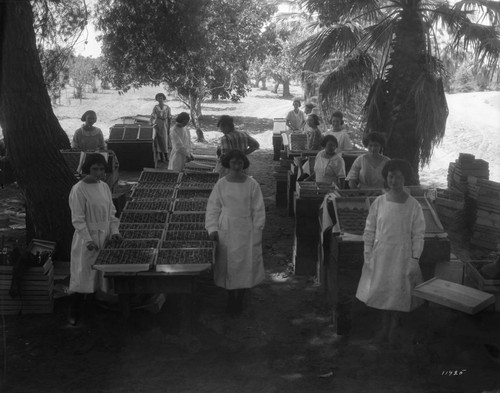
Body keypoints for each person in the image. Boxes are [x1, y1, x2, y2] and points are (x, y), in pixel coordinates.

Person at [356, 159, 425, 346]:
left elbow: (418, 235)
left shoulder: (413, 206)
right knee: (382, 292)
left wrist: (414, 258)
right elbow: (370, 229)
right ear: (386, 178)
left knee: (397, 293)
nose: (394, 181)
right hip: (382, 255)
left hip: (402, 256)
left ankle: (394, 330)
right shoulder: (379, 202)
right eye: (391, 176)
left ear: (405, 179)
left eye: (399, 177)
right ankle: (383, 329)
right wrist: (368, 253)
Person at [205, 149, 265, 316]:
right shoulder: (221, 184)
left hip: (246, 228)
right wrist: (212, 228)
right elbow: (213, 208)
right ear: (228, 164)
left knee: (245, 264)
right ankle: (231, 297)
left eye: (240, 162)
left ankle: (241, 297)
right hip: (227, 228)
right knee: (228, 264)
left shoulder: (252, 185)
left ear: (243, 164)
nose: (237, 166)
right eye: (233, 162)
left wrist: (257, 230)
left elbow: (258, 210)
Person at [68, 153, 122, 325]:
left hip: (104, 235)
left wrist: (114, 231)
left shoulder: (104, 187)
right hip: (87, 238)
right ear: (86, 170)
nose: (98, 172)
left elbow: (112, 213)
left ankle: (93, 306)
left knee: (99, 276)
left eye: (101, 168)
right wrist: (87, 239)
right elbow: (78, 218)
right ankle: (73, 311)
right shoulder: (79, 189)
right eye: (94, 169)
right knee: (83, 274)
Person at [150, 92, 171, 163]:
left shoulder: (167, 107)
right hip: (158, 124)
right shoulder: (155, 107)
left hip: (165, 124)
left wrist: (169, 127)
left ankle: (166, 156)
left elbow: (169, 117)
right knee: (159, 141)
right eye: (158, 98)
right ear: (157, 99)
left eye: (161, 98)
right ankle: (161, 157)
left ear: (163, 98)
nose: (160, 99)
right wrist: (151, 123)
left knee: (165, 140)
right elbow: (152, 116)